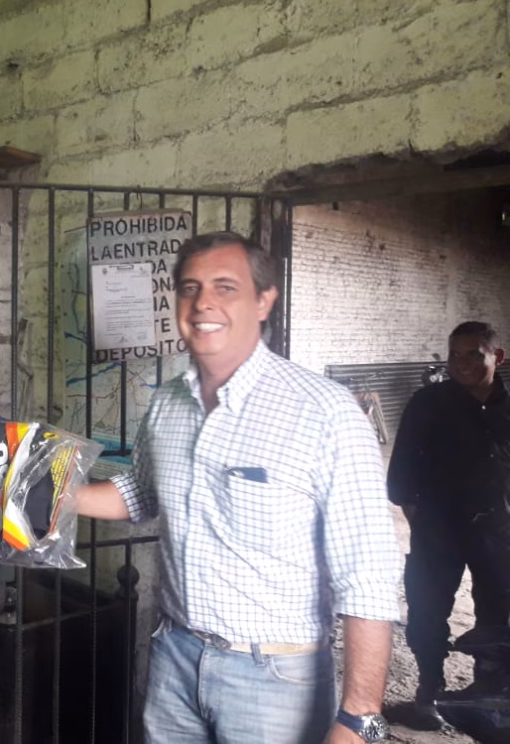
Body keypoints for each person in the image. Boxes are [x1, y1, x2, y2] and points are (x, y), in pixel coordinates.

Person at [76, 232, 401, 744]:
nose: (203, 302)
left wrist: (361, 718)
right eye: (190, 288)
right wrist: (48, 494)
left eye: (225, 287)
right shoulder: (166, 405)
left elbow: (368, 577)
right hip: (175, 658)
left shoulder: (325, 413)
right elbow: (140, 493)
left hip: (275, 679)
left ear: (264, 301)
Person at [388, 321, 510, 722]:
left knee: (499, 613)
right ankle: (429, 691)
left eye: (474, 354)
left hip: (499, 531)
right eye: (455, 355)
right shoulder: (428, 403)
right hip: (438, 529)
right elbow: (402, 474)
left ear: (497, 356)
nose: (462, 364)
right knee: (427, 609)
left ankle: (488, 693)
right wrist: (425, 525)